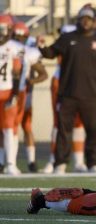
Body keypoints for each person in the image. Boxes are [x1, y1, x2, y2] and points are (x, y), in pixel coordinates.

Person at [38, 4, 96, 174]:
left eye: (89, 19)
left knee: (94, 130)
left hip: (91, 95)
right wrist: (42, 47)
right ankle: (60, 163)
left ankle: (92, 163)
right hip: (68, 94)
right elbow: (51, 52)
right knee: (63, 130)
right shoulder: (67, 38)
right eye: (83, 18)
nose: (86, 22)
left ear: (94, 21)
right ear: (78, 20)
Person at [42, 24, 88, 174]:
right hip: (61, 83)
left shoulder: (83, 41)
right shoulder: (63, 44)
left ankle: (79, 161)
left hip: (79, 84)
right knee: (59, 123)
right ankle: (53, 160)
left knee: (79, 123)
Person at [12, 21, 48, 173]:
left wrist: (29, 81)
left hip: (24, 92)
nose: (19, 40)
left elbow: (43, 73)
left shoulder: (30, 49)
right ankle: (6, 162)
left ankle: (31, 162)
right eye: (16, 36)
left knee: (25, 127)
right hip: (8, 91)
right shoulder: (7, 48)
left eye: (22, 37)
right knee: (7, 129)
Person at [0, 14, 24, 175]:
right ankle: (3, 162)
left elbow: (17, 73)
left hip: (8, 90)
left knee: (9, 128)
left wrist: (15, 93)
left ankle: (10, 163)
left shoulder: (15, 46)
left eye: (3, 29)